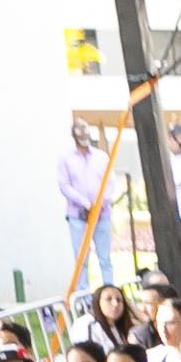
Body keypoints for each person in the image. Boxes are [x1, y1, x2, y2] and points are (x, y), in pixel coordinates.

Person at [57, 120, 114, 285]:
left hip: (102, 215)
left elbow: (110, 181)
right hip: (78, 216)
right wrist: (85, 203)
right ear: (73, 134)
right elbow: (64, 185)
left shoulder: (101, 157)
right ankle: (84, 298)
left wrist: (101, 201)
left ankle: (109, 292)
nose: (82, 132)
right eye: (78, 129)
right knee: (81, 259)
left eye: (85, 128)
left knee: (105, 258)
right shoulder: (65, 159)